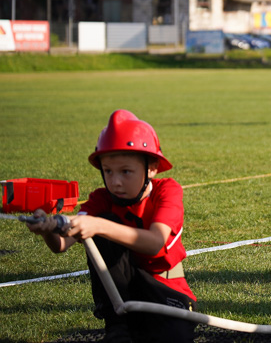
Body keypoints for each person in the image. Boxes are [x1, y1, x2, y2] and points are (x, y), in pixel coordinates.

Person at [26, 110, 196, 343]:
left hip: (167, 290)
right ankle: (117, 326)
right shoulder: (101, 199)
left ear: (152, 167)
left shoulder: (167, 190)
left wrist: (98, 225)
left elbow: (155, 243)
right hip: (124, 297)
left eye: (126, 171)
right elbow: (62, 245)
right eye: (108, 171)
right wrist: (48, 230)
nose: (115, 181)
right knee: (107, 223)